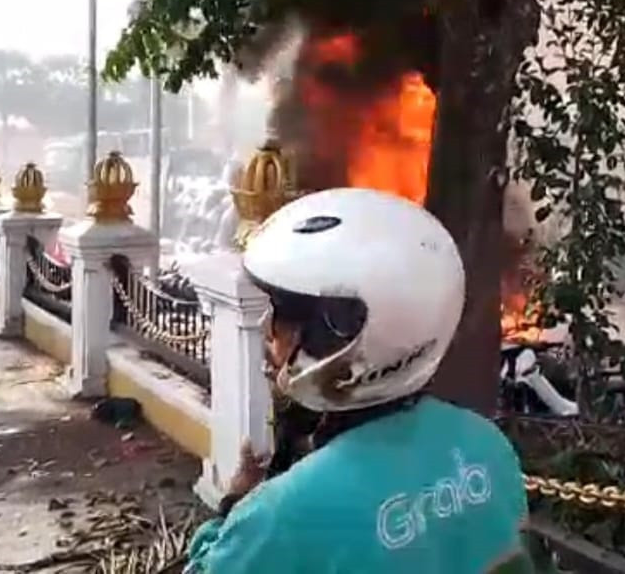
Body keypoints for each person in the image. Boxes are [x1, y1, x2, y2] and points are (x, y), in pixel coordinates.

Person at [184, 188, 532, 573]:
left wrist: (234, 506)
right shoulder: (488, 447)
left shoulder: (279, 516)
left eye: (280, 313)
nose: (267, 332)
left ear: (340, 331)